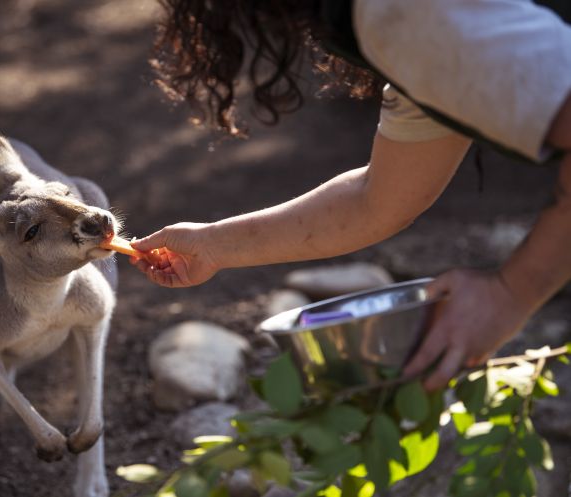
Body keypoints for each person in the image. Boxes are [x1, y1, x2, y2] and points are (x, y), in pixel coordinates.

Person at [129, 0, 571, 391]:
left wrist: (514, 291)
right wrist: (212, 246)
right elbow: (375, 200)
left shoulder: (417, 15)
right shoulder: (413, 33)